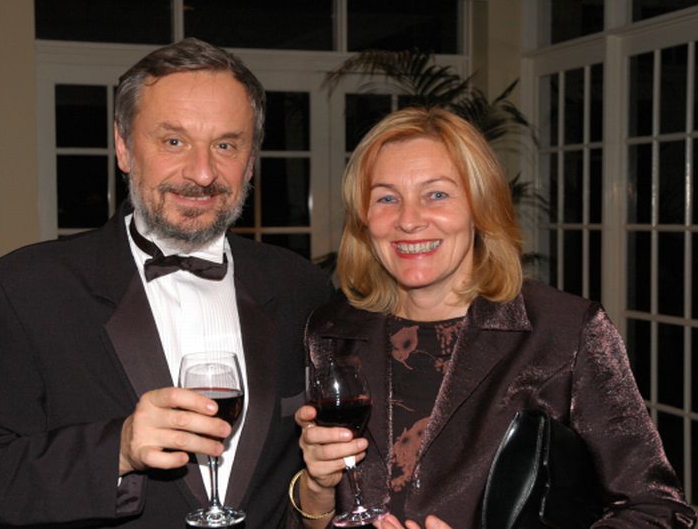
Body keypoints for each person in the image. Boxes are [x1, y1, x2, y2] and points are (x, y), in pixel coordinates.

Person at [0, 38, 332, 528]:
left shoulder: (302, 288)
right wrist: (119, 449)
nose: (202, 173)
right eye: (174, 141)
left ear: (250, 161)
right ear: (123, 147)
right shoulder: (24, 290)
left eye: (226, 145)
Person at [288, 107, 697, 528]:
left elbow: (658, 511)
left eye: (437, 195)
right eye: (387, 198)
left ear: (480, 206)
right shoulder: (330, 333)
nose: (408, 220)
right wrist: (317, 488)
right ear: (363, 219)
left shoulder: (564, 331)